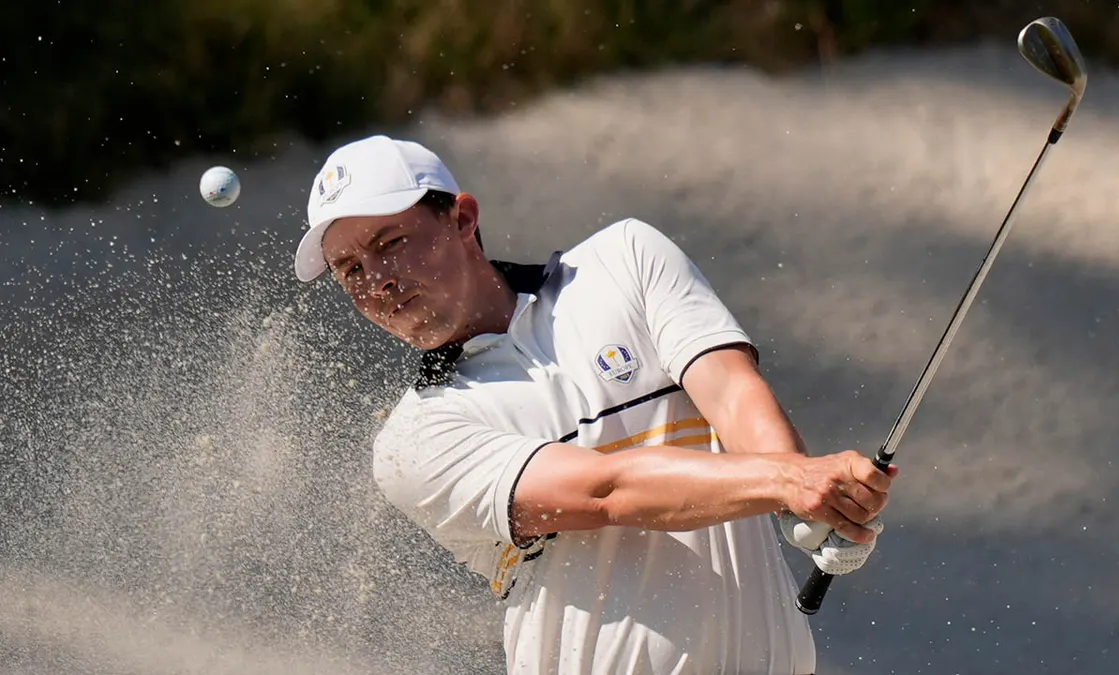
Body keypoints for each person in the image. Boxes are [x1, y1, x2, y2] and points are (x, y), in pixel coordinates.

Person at [293, 135, 898, 674]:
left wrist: (816, 504)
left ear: (463, 218)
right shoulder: (414, 440)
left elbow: (732, 391)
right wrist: (789, 481)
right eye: (350, 269)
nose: (377, 279)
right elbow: (606, 492)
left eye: (390, 241)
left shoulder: (623, 261)